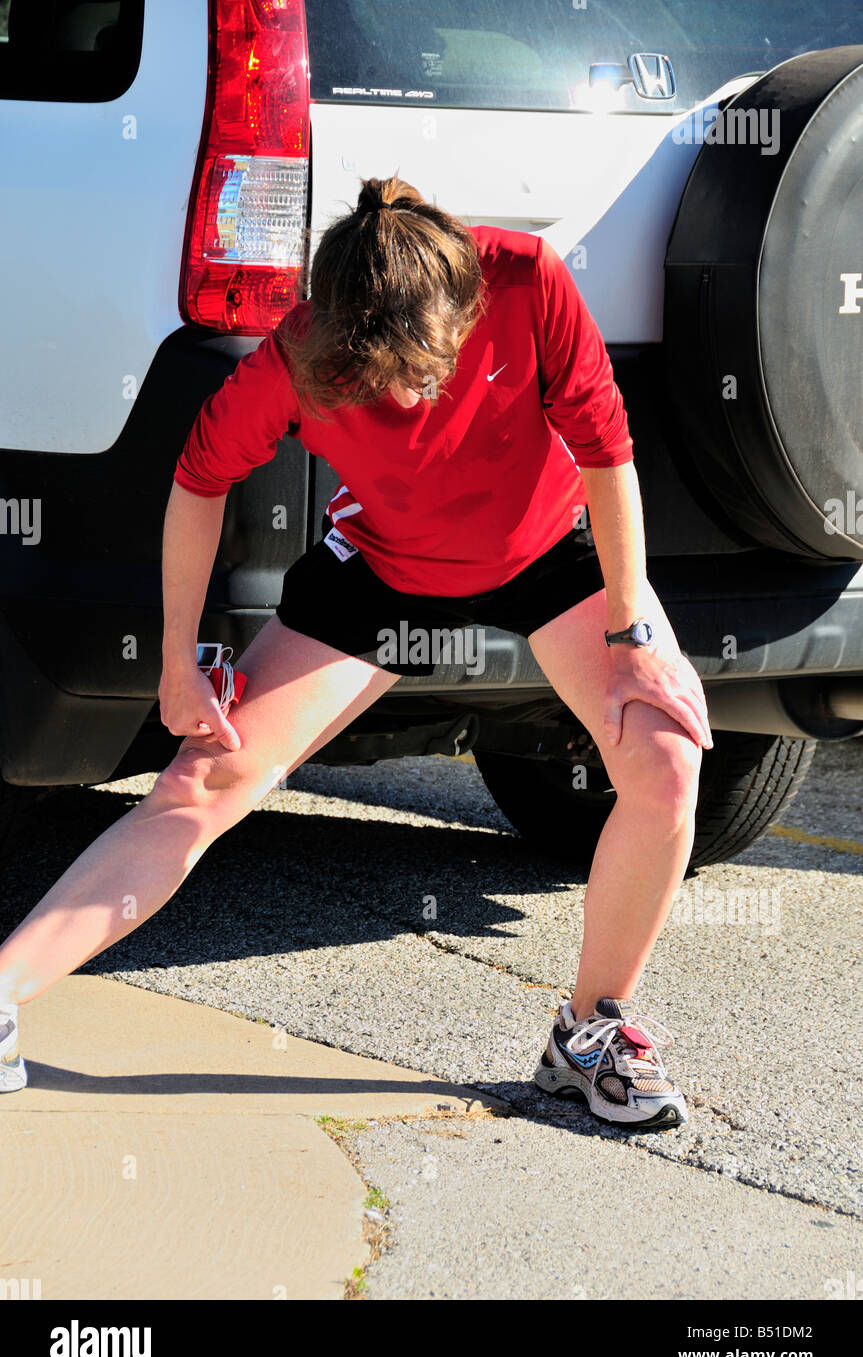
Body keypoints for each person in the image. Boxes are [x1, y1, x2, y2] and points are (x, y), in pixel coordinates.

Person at [0, 175, 712, 1129]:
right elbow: (196, 481)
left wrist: (631, 633)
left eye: (428, 370)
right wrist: (178, 661)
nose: (414, 398)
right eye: (387, 380)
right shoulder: (297, 350)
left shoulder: (528, 278)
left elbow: (606, 453)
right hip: (382, 568)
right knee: (198, 785)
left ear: (465, 302)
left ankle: (587, 1033)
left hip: (550, 549)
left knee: (666, 759)